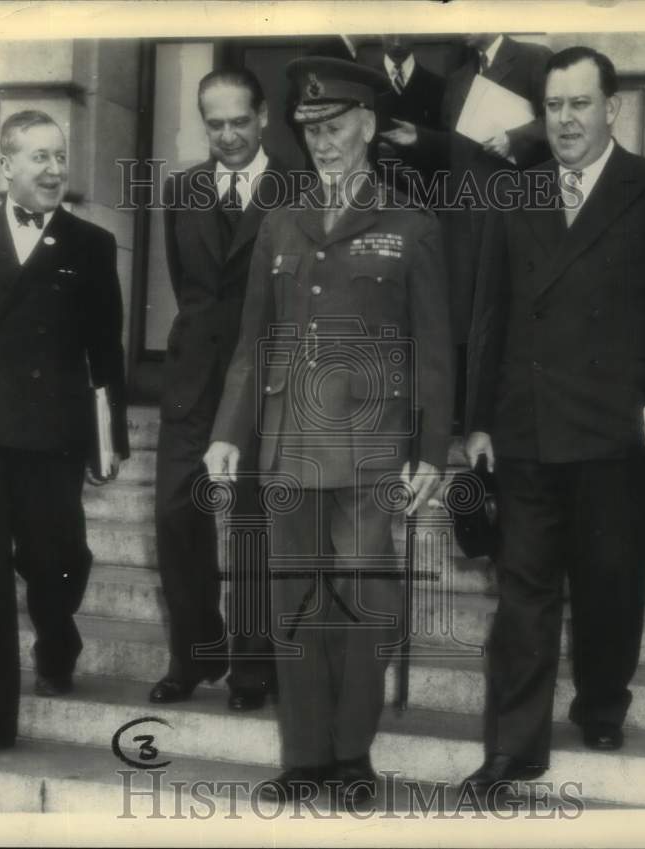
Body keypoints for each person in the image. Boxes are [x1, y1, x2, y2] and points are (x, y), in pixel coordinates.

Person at [463, 47, 645, 796]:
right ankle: (514, 748)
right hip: (528, 427)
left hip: (621, 428)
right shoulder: (517, 194)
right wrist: (477, 421)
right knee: (524, 594)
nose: (565, 120)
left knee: (611, 581)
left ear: (611, 106)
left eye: (579, 104)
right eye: (553, 106)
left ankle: (603, 699)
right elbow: (490, 317)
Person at [204, 57, 453, 805]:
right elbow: (254, 344)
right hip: (287, 446)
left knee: (359, 605)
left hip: (373, 449)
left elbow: (435, 352)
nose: (324, 141)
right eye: (310, 129)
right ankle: (305, 756)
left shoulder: (411, 226)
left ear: (370, 126)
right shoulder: (280, 221)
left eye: (337, 125)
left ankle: (351, 757)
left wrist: (431, 450)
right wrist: (228, 432)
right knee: (294, 606)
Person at [0, 109, 129, 760]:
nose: (54, 168)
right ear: (5, 165)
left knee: (56, 558)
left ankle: (57, 636)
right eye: (38, 156)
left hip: (53, 435)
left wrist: (110, 437)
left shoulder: (92, 245)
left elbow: (107, 351)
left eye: (60, 156)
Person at [150, 68, 294, 711]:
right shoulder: (181, 190)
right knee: (176, 515)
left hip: (268, 381)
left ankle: (253, 666)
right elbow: (189, 286)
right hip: (194, 381)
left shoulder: (300, 188)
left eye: (240, 121)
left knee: (255, 525)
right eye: (215, 124)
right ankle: (195, 652)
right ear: (202, 123)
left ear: (263, 117)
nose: (229, 135)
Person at [381, 32, 552, 427]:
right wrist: (420, 139)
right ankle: (468, 416)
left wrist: (515, 139)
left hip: (515, 216)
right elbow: (460, 151)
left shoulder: (533, 60)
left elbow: (559, 123)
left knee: (510, 321)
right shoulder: (458, 78)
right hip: (462, 222)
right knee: (464, 323)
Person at [372, 34, 447, 184]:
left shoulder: (439, 86)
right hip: (376, 186)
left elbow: (447, 145)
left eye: (404, 34)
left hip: (424, 189)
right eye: (390, 33)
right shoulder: (364, 83)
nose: (397, 42)